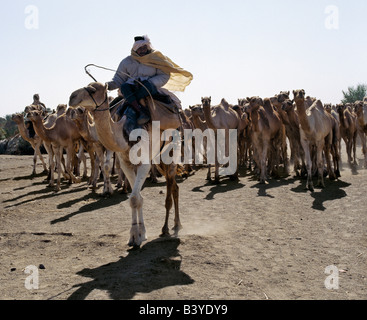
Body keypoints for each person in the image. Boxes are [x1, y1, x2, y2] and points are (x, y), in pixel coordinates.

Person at [106, 35, 193, 135]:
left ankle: (176, 131)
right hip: (130, 88)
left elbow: (164, 75)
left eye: (144, 48)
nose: (142, 50)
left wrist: (150, 82)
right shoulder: (127, 62)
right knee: (123, 88)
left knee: (168, 102)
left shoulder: (156, 59)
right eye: (140, 48)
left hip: (150, 87)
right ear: (135, 49)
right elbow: (119, 79)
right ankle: (140, 111)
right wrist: (106, 86)